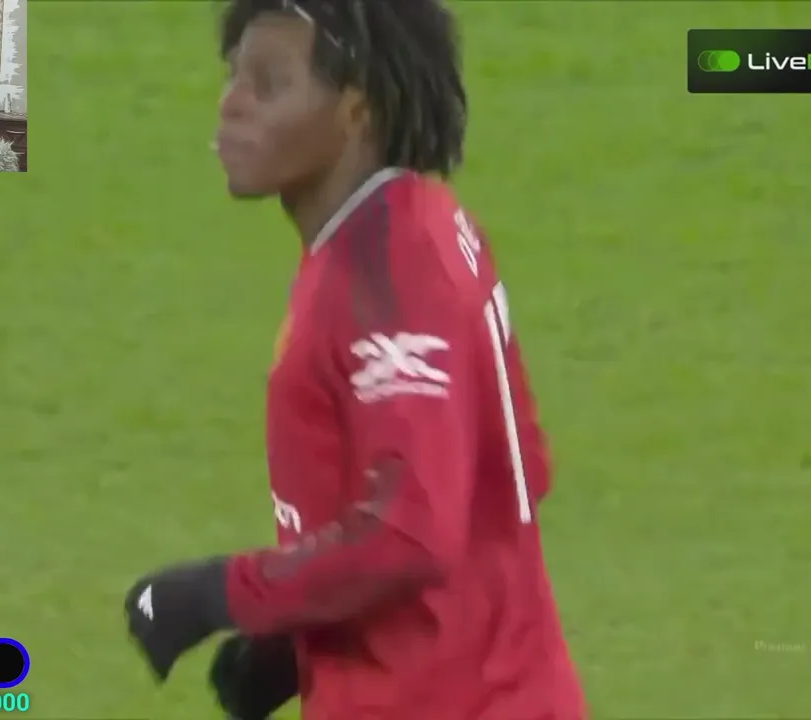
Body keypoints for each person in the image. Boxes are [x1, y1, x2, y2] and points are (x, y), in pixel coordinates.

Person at [123, 1, 586, 718]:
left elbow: (409, 530)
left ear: (356, 110)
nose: (231, 104)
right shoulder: (413, 226)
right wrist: (296, 636)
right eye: (234, 75)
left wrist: (219, 593)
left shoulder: (391, 267)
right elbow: (510, 467)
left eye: (269, 84)